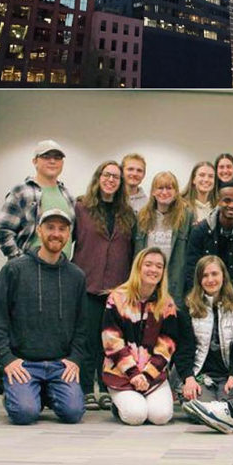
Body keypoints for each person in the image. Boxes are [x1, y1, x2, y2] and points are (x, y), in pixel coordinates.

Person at [0, 208, 86, 425]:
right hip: (23, 364)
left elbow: (82, 326)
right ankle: (21, 394)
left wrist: (74, 359)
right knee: (24, 414)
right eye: (50, 227)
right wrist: (7, 360)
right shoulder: (14, 270)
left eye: (62, 229)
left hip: (60, 364)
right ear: (39, 231)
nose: (56, 233)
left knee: (73, 413)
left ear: (68, 234)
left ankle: (41, 393)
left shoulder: (76, 276)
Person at [72, 160, 136, 410]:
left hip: (117, 288)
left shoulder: (128, 214)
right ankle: (86, 388)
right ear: (98, 178)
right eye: (106, 175)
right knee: (88, 340)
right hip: (87, 283)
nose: (111, 180)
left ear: (121, 184)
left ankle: (108, 386)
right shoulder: (81, 208)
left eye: (116, 177)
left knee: (110, 342)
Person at [102, 247, 188, 426]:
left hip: (153, 376)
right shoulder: (117, 298)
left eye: (159, 266)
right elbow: (111, 340)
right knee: (136, 416)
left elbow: (167, 345)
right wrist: (133, 374)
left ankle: (139, 399)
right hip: (121, 374)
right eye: (148, 264)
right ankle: (120, 405)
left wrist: (147, 376)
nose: (153, 270)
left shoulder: (167, 304)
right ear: (138, 267)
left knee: (161, 416)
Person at [185, 178, 233, 315]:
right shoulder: (200, 231)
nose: (231, 205)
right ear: (218, 201)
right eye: (227, 200)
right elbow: (192, 269)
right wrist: (201, 303)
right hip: (203, 303)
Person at [0, 139, 76, 260]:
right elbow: (2, 231)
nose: (52, 161)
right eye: (46, 156)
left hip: (61, 270)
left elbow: (70, 234)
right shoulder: (21, 192)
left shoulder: (67, 195)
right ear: (35, 161)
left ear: (62, 163)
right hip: (29, 272)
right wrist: (20, 262)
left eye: (57, 157)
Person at [181, 256, 233, 404]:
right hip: (199, 374)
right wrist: (188, 378)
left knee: (228, 406)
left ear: (223, 275)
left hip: (227, 375)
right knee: (203, 407)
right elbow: (184, 348)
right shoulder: (188, 308)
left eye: (214, 274)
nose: (210, 280)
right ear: (199, 280)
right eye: (205, 275)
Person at [133, 171, 193, 306]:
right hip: (145, 281)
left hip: (173, 283)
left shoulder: (186, 217)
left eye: (169, 188)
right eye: (160, 188)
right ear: (153, 191)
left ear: (176, 192)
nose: (164, 192)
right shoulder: (141, 216)